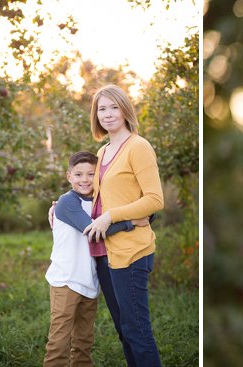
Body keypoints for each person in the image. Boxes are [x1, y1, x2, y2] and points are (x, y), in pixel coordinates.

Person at [83, 84, 164, 366]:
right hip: (105, 251)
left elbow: (154, 199)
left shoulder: (138, 147)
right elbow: (96, 196)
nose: (107, 114)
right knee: (123, 330)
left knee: (137, 330)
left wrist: (112, 216)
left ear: (125, 109)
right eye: (101, 109)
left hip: (131, 251)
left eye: (113, 107)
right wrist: (60, 204)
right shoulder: (103, 152)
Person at [44, 151, 150, 366]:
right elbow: (94, 231)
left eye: (91, 174)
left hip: (90, 282)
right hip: (66, 280)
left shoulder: (99, 202)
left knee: (83, 342)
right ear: (69, 176)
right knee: (59, 342)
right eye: (78, 175)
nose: (85, 180)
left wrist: (141, 214)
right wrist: (133, 223)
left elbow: (143, 209)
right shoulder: (66, 202)